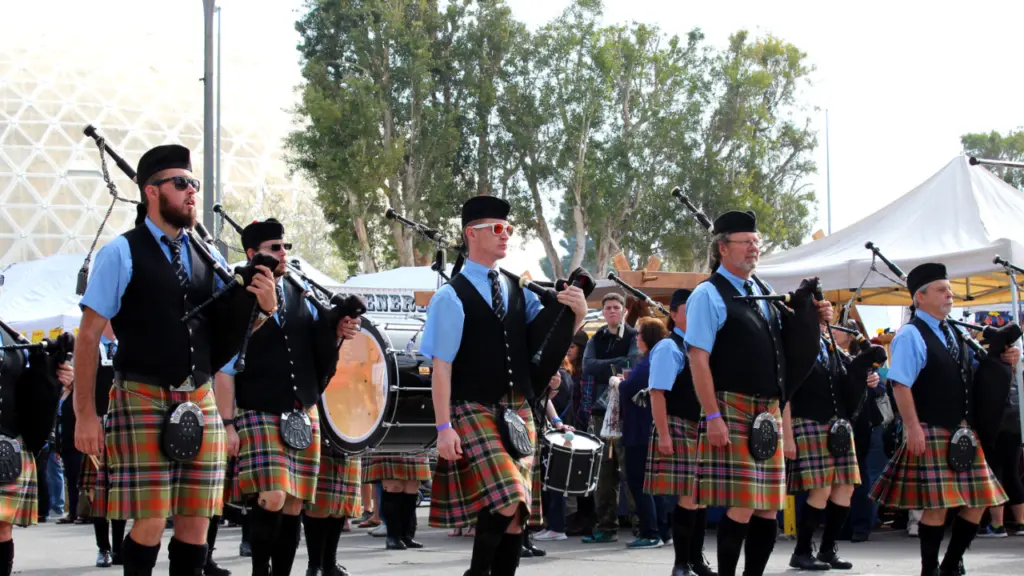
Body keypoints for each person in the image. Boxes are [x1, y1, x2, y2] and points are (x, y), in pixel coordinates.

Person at [74, 144, 279, 576]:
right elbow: (89, 337)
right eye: (181, 183)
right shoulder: (121, 252)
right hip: (141, 395)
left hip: (199, 397)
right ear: (152, 191)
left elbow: (229, 333)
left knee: (196, 521)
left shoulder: (208, 255)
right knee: (149, 520)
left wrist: (262, 308)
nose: (191, 192)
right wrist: (85, 415)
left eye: (194, 184)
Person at [421, 195, 588, 576]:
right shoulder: (450, 297)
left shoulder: (518, 290)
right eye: (497, 229)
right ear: (471, 234)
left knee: (518, 515)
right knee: (510, 498)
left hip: (518, 411)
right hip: (473, 408)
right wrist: (443, 427)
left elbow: (546, 343)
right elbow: (441, 367)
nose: (506, 236)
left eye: (509, 229)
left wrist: (576, 315)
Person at [686, 210, 830, 576]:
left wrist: (815, 318)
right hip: (731, 408)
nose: (754, 248)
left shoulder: (763, 291)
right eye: (746, 242)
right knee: (742, 505)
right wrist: (713, 415)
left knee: (769, 505)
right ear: (723, 248)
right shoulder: (708, 294)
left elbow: (787, 350)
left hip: (767, 410)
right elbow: (698, 359)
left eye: (757, 241)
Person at [215, 217, 359, 576]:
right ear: (252, 255)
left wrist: (337, 330)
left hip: (301, 412)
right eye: (274, 248)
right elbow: (224, 368)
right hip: (259, 411)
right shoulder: (237, 297)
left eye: (285, 247)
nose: (283, 254)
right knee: (274, 495)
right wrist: (228, 424)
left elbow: (317, 352)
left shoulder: (299, 293)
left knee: (294, 504)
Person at [870, 263, 1018, 576]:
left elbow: (978, 372)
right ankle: (929, 569)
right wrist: (912, 428)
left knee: (978, 501)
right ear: (920, 298)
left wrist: (1006, 359)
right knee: (936, 506)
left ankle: (951, 564)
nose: (949, 295)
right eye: (941, 290)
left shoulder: (956, 332)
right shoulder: (910, 335)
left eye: (949, 290)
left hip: (962, 432)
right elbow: (900, 383)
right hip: (931, 429)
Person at [783, 316, 880, 570]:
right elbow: (785, 396)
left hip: (839, 426)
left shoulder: (834, 351)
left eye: (826, 322)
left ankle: (827, 550)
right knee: (821, 489)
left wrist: (869, 378)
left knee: (845, 488)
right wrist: (788, 436)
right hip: (809, 423)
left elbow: (851, 380)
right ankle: (802, 551)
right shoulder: (796, 350)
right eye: (820, 322)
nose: (825, 326)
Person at [0, 282, 74, 575]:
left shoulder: (7, 333)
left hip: (7, 444)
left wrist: (54, 376)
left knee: (2, 527)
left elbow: (23, 388)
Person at [647, 289, 717, 576]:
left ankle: (696, 561)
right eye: (688, 311)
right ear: (673, 314)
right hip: (677, 426)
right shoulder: (669, 347)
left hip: (699, 428)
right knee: (689, 497)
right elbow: (657, 394)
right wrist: (664, 435)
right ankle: (681, 564)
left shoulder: (700, 348)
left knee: (700, 497)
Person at [582, 293, 641, 543]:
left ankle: (642, 527)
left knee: (630, 469)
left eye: (617, 307)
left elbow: (633, 361)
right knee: (603, 473)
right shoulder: (596, 337)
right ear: (603, 312)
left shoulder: (633, 336)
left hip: (627, 411)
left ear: (624, 311)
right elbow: (586, 366)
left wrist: (603, 365)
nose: (613, 311)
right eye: (609, 308)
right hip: (599, 412)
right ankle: (606, 527)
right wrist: (615, 366)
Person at [77, 322, 129, 568]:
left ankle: (119, 549)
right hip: (97, 422)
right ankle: (103, 549)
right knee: (99, 492)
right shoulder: (90, 345)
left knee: (118, 490)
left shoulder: (127, 346)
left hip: (122, 424)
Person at [617, 316, 671, 550]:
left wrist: (617, 383)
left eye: (639, 334)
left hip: (639, 430)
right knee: (653, 484)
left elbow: (629, 389)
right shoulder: (654, 360)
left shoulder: (647, 362)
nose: (636, 338)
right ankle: (662, 530)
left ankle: (650, 532)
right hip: (649, 428)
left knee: (639, 482)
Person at [302, 426, 362, 576]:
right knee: (318, 502)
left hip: (350, 427)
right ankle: (314, 566)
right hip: (320, 425)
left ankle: (329, 565)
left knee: (340, 502)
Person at [363, 455, 431, 550]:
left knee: (412, 486)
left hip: (413, 443)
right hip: (388, 444)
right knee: (393, 485)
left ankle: (407, 536)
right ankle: (393, 537)